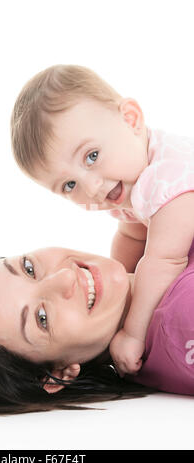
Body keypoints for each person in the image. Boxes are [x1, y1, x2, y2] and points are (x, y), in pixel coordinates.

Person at [10, 64, 194, 377]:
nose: (92, 187)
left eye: (92, 156)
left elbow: (164, 261)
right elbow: (132, 234)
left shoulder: (166, 177)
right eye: (70, 186)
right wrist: (119, 273)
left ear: (130, 120)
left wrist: (133, 333)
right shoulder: (129, 178)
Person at [0, 243, 194, 417]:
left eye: (28, 268)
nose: (65, 277)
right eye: (41, 318)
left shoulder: (150, 233)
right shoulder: (181, 319)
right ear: (60, 373)